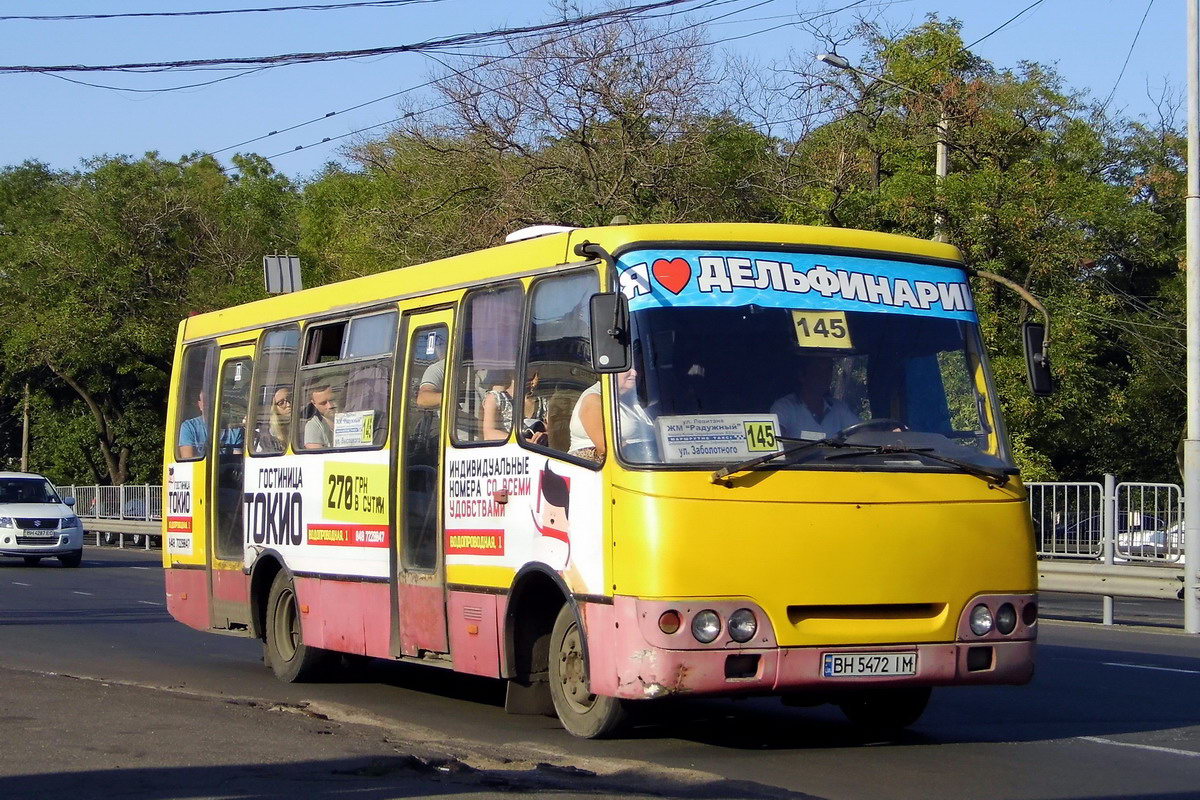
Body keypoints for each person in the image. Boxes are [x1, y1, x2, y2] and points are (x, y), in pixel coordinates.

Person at [568, 368, 654, 462]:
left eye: (637, 367)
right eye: (628, 367)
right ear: (612, 367)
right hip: (604, 469)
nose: (635, 373)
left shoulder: (635, 399)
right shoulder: (594, 399)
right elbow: (606, 448)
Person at [770, 355, 859, 439]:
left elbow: (862, 433)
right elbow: (776, 445)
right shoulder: (784, 407)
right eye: (818, 370)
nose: (824, 376)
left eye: (828, 370)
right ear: (802, 375)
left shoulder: (840, 409)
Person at [481, 370, 549, 444]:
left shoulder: (543, 402)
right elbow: (489, 434)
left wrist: (545, 435)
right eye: (530, 376)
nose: (535, 380)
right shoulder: (495, 398)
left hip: (540, 453)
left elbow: (555, 431)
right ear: (511, 373)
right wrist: (525, 442)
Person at [178, 390, 243, 459]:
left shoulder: (234, 429)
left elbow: (237, 461)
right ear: (200, 405)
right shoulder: (189, 427)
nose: (211, 406)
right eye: (206, 402)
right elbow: (188, 461)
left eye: (214, 402)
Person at [255, 388, 292, 453]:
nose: (288, 404)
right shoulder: (269, 435)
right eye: (281, 403)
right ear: (275, 408)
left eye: (290, 399)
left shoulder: (304, 424)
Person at [304, 384, 338, 449]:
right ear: (314, 404)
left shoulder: (350, 414)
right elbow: (317, 456)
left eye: (332, 400)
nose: (330, 406)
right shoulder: (313, 426)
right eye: (323, 403)